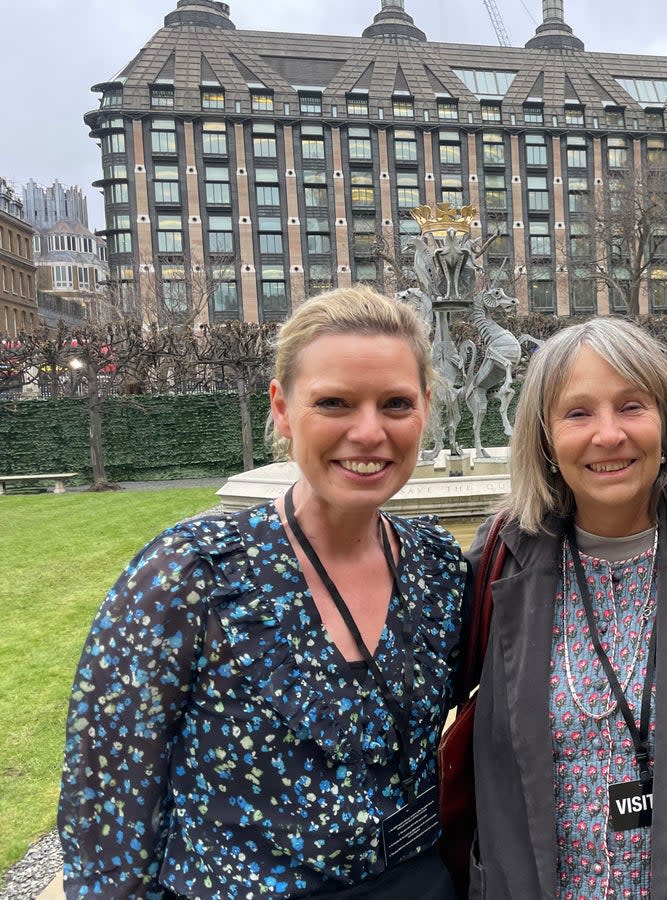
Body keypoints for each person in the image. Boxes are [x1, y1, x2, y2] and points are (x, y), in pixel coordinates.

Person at [58, 286, 467, 899]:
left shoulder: (439, 571)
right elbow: (108, 807)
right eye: (333, 402)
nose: (368, 431)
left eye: (395, 404)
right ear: (280, 407)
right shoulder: (191, 576)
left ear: (426, 409)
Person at [468, 317, 667, 899]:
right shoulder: (500, 561)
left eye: (632, 406)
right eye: (578, 413)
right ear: (543, 437)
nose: (609, 434)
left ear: (666, 422)